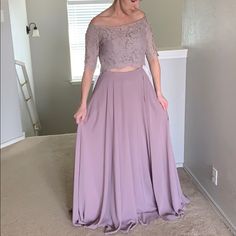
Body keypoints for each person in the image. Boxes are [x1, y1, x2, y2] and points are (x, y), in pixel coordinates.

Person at [72, 0, 190, 234]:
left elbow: (153, 57)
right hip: (110, 90)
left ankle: (142, 198)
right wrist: (83, 103)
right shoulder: (97, 24)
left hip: (140, 88)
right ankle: (116, 202)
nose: (137, 3)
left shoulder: (141, 18)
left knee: (141, 142)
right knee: (113, 145)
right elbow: (89, 66)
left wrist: (159, 92)